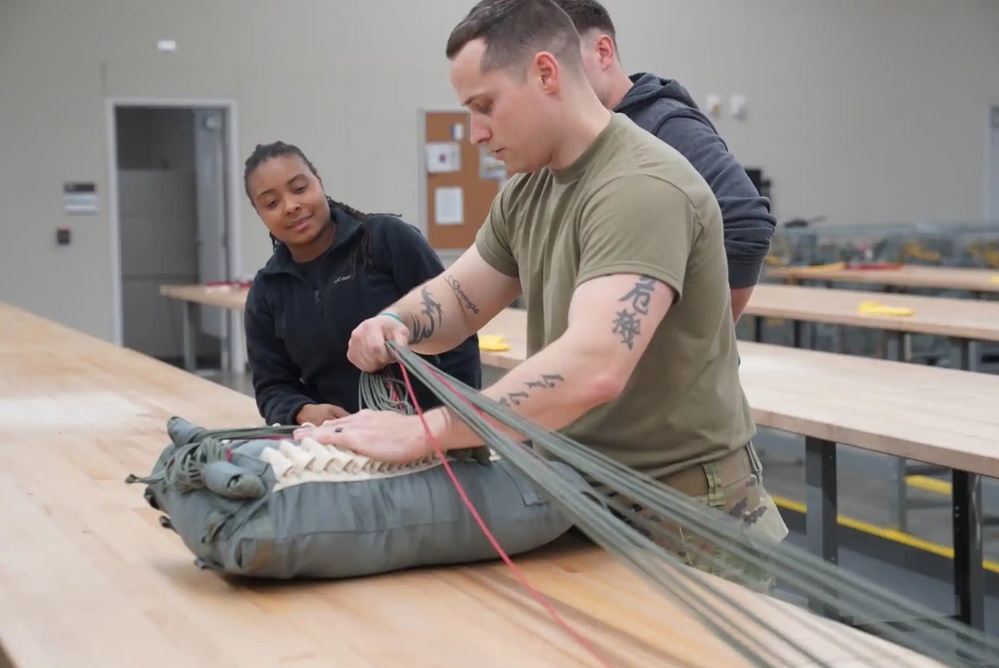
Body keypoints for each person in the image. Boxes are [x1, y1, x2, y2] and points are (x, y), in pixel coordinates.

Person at [295, 0, 788, 590]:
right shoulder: (529, 190)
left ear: (547, 74)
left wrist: (424, 431)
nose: (476, 132)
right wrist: (396, 320)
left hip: (685, 522)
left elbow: (594, 367)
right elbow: (460, 299)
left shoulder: (641, 186)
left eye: (485, 106)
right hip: (580, 496)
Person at [553, 0, 776, 322]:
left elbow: (746, 223)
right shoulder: (581, 137)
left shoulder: (665, 125)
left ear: (603, 52)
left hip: (664, 366)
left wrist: (692, 334)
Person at [241, 140, 481, 427]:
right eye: (271, 203)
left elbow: (455, 333)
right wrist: (301, 411)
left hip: (427, 435)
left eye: (300, 188)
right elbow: (272, 386)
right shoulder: (266, 292)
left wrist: (455, 423)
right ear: (259, 213)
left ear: (319, 182)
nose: (291, 206)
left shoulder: (388, 241)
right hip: (341, 448)